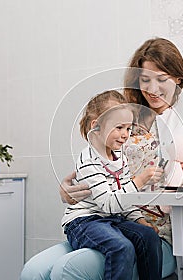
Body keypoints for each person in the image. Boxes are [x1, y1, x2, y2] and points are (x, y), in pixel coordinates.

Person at [20, 38, 183, 280]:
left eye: (162, 79)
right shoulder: (127, 116)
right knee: (33, 271)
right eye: (145, 80)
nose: (152, 89)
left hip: (159, 231)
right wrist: (69, 190)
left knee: (69, 269)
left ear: (178, 78)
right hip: (108, 219)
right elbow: (97, 165)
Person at [62, 90, 163, 280]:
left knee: (149, 237)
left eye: (128, 128)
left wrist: (139, 220)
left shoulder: (120, 158)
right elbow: (108, 203)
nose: (125, 134)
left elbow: (124, 199)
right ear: (96, 127)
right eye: (119, 128)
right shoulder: (88, 160)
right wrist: (139, 181)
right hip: (85, 221)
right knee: (120, 247)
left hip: (111, 218)